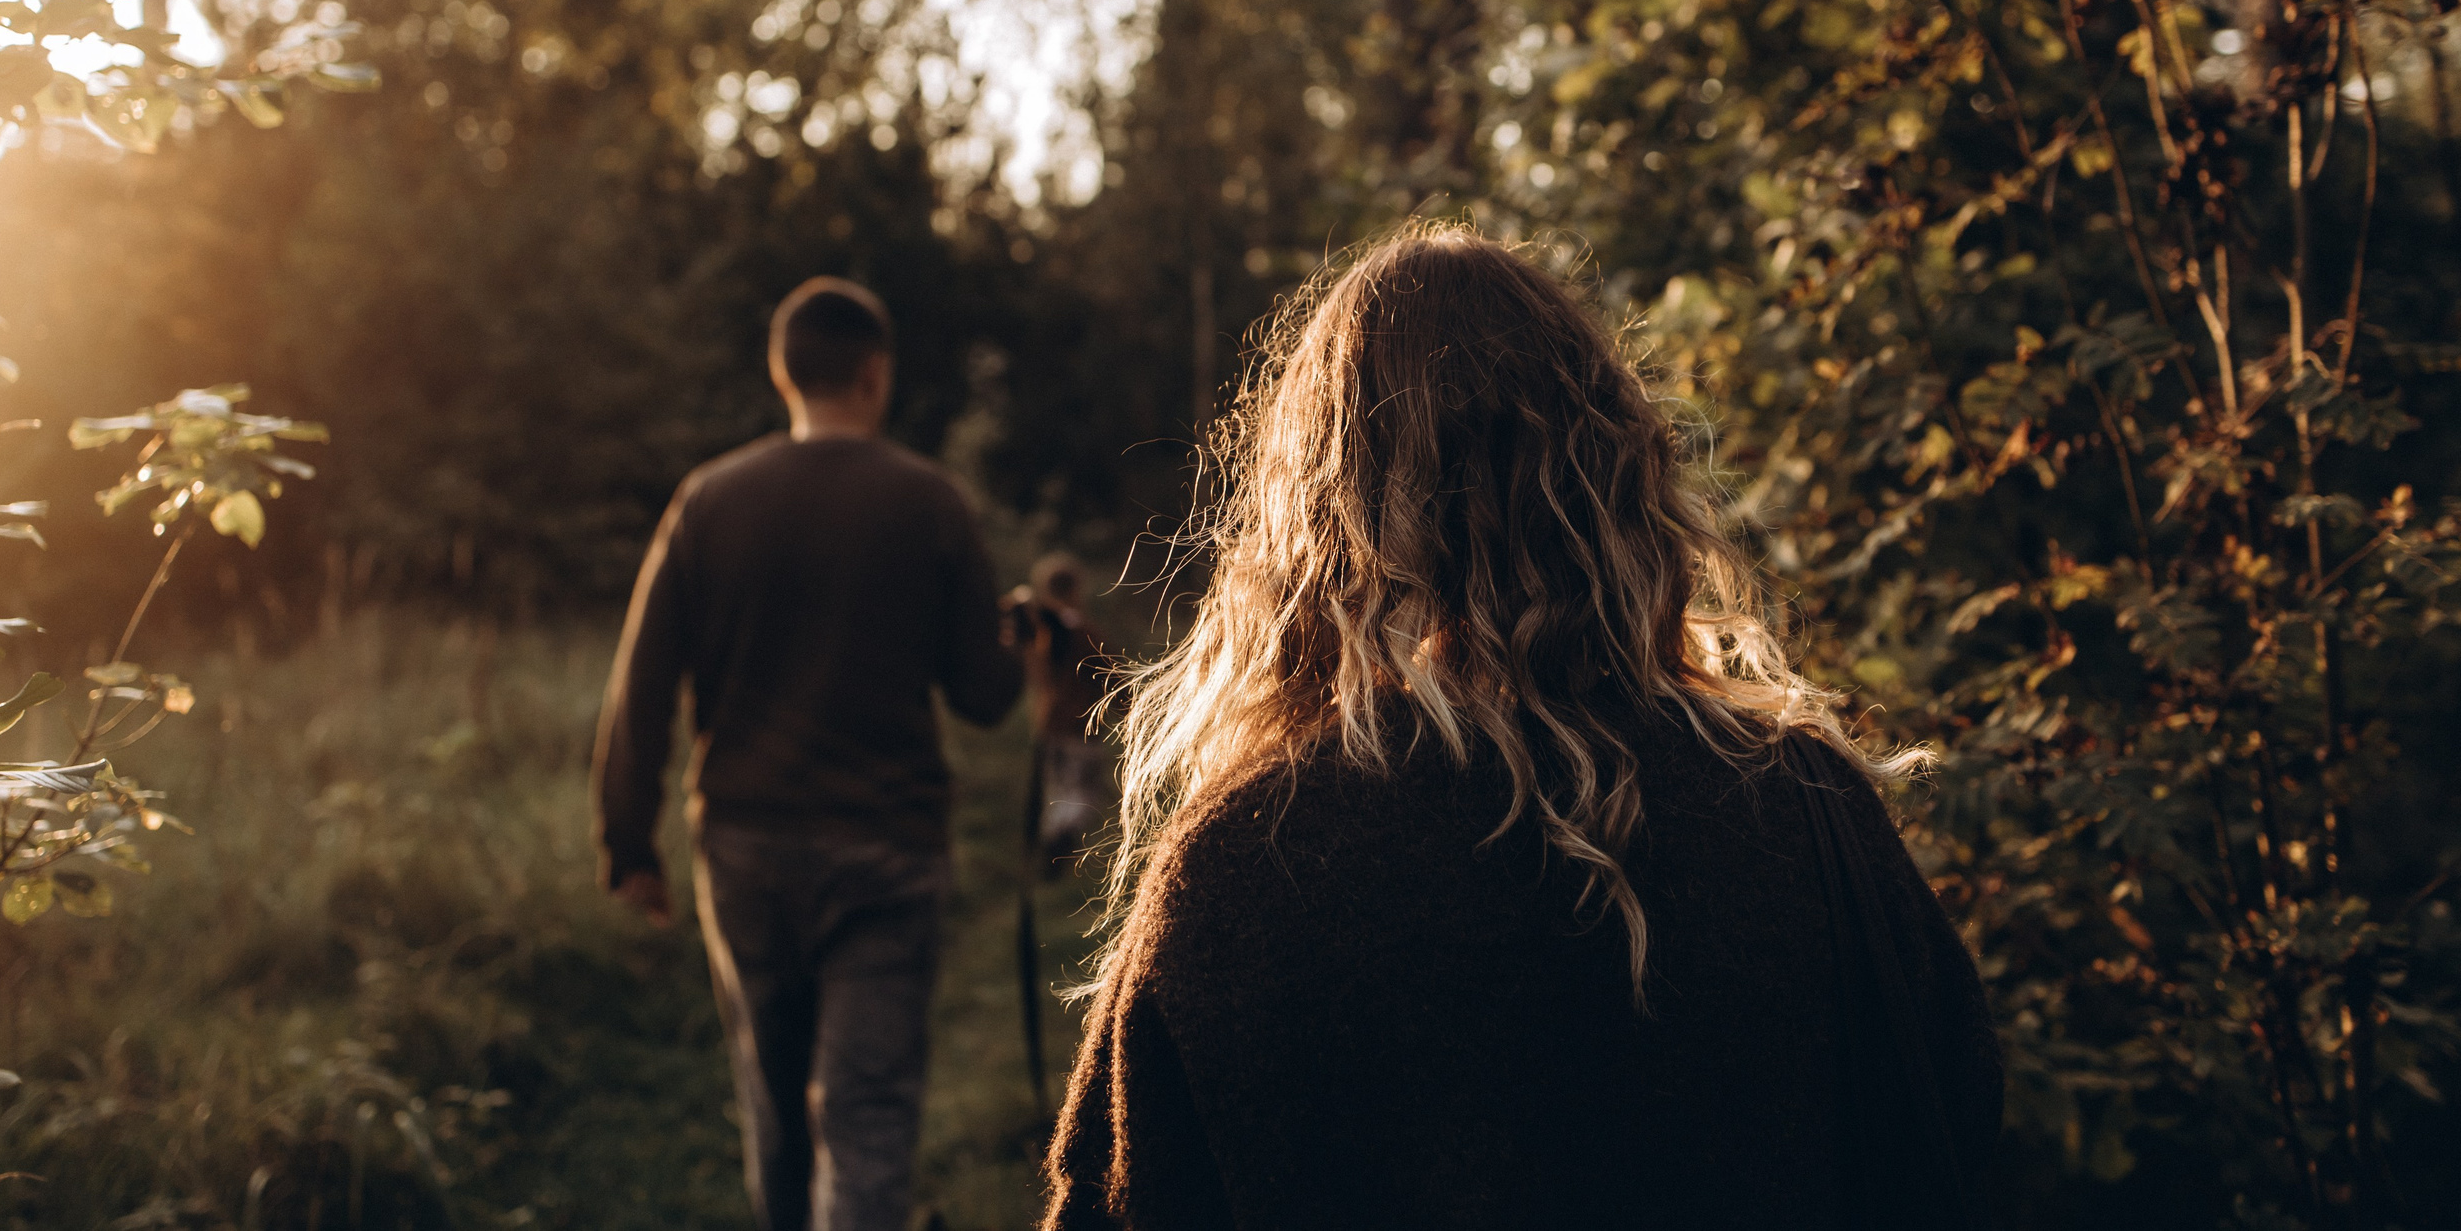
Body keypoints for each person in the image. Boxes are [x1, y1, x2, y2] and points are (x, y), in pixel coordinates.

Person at [1044, 229, 2002, 1231]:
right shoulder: (1806, 810)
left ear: (1319, 521)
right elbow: (1954, 1131)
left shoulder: (1248, 868)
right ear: (1616, 473)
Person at [592, 276, 1021, 1231]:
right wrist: (1022, 652)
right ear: (876, 375)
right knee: (866, 1121)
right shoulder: (931, 504)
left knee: (777, 1111)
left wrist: (629, 842)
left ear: (783, 374)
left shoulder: (707, 502)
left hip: (745, 849)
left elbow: (644, 685)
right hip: (888, 854)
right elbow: (984, 698)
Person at [1006, 552, 1118, 871]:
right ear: (1076, 588)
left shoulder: (1040, 631)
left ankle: (1051, 851)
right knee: (1081, 794)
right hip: (1080, 725)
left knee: (1059, 791)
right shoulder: (1083, 632)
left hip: (1048, 724)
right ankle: (1058, 849)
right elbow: (1112, 677)